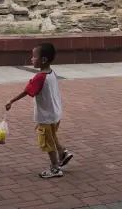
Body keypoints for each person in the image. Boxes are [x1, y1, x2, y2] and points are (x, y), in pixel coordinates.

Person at [5, 42, 74, 179]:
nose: (31, 59)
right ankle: (63, 153)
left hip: (46, 117)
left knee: (47, 143)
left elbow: (27, 91)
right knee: (53, 136)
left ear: (43, 60)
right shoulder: (52, 73)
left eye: (34, 56)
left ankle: (55, 168)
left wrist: (11, 101)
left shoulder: (39, 77)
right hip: (56, 114)